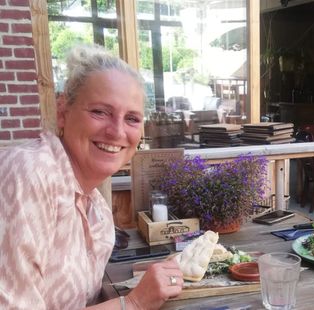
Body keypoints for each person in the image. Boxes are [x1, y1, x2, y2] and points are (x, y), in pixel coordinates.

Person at [0, 45, 184, 309]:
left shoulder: (95, 207)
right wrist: (133, 303)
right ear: (62, 112)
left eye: (132, 118)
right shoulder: (28, 172)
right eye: (100, 112)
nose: (117, 131)